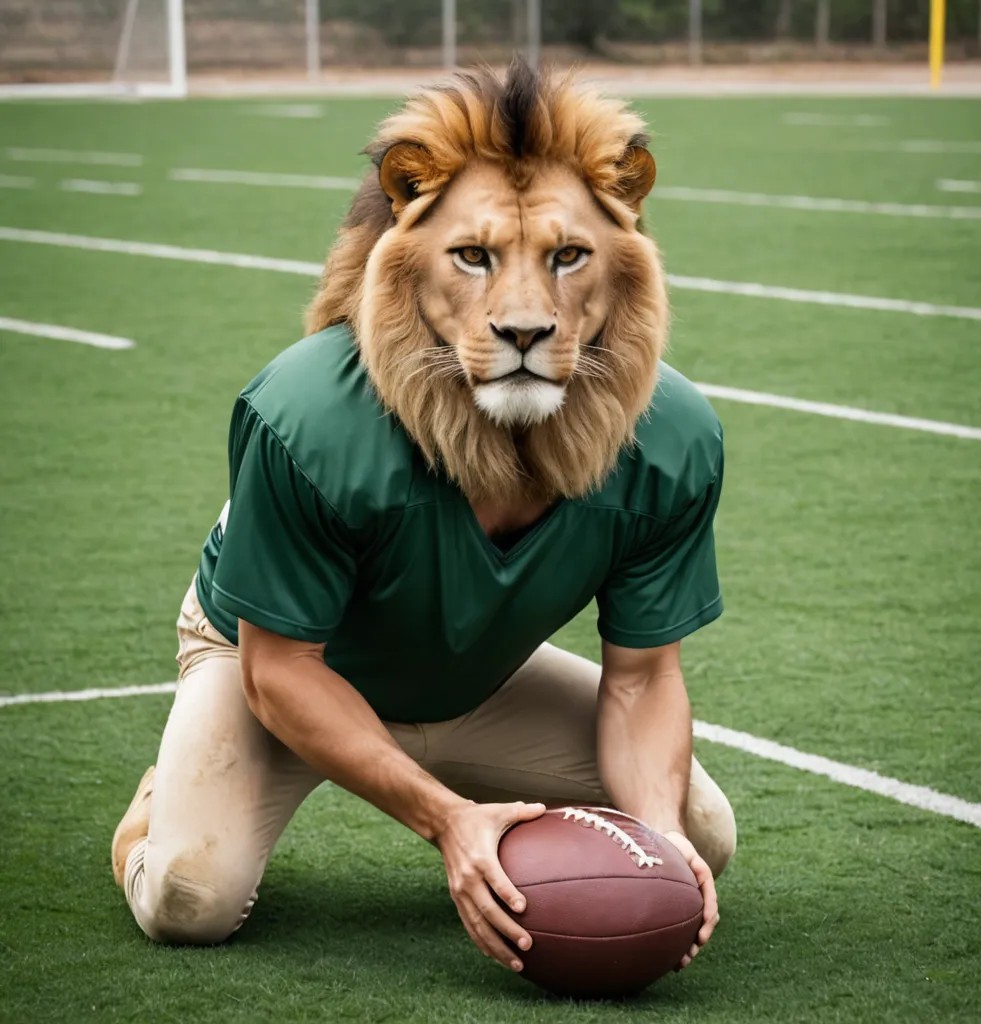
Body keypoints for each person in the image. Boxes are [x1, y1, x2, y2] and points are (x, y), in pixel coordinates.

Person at [112, 58, 736, 976]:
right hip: (280, 669)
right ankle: (159, 808)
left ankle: (558, 850)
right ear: (407, 262)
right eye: (474, 256)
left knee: (690, 843)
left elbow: (643, 680)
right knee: (189, 901)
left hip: (469, 678)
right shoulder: (310, 419)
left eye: (567, 257)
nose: (525, 314)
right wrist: (449, 821)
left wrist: (645, 842)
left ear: (620, 267)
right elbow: (281, 672)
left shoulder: (673, 437)